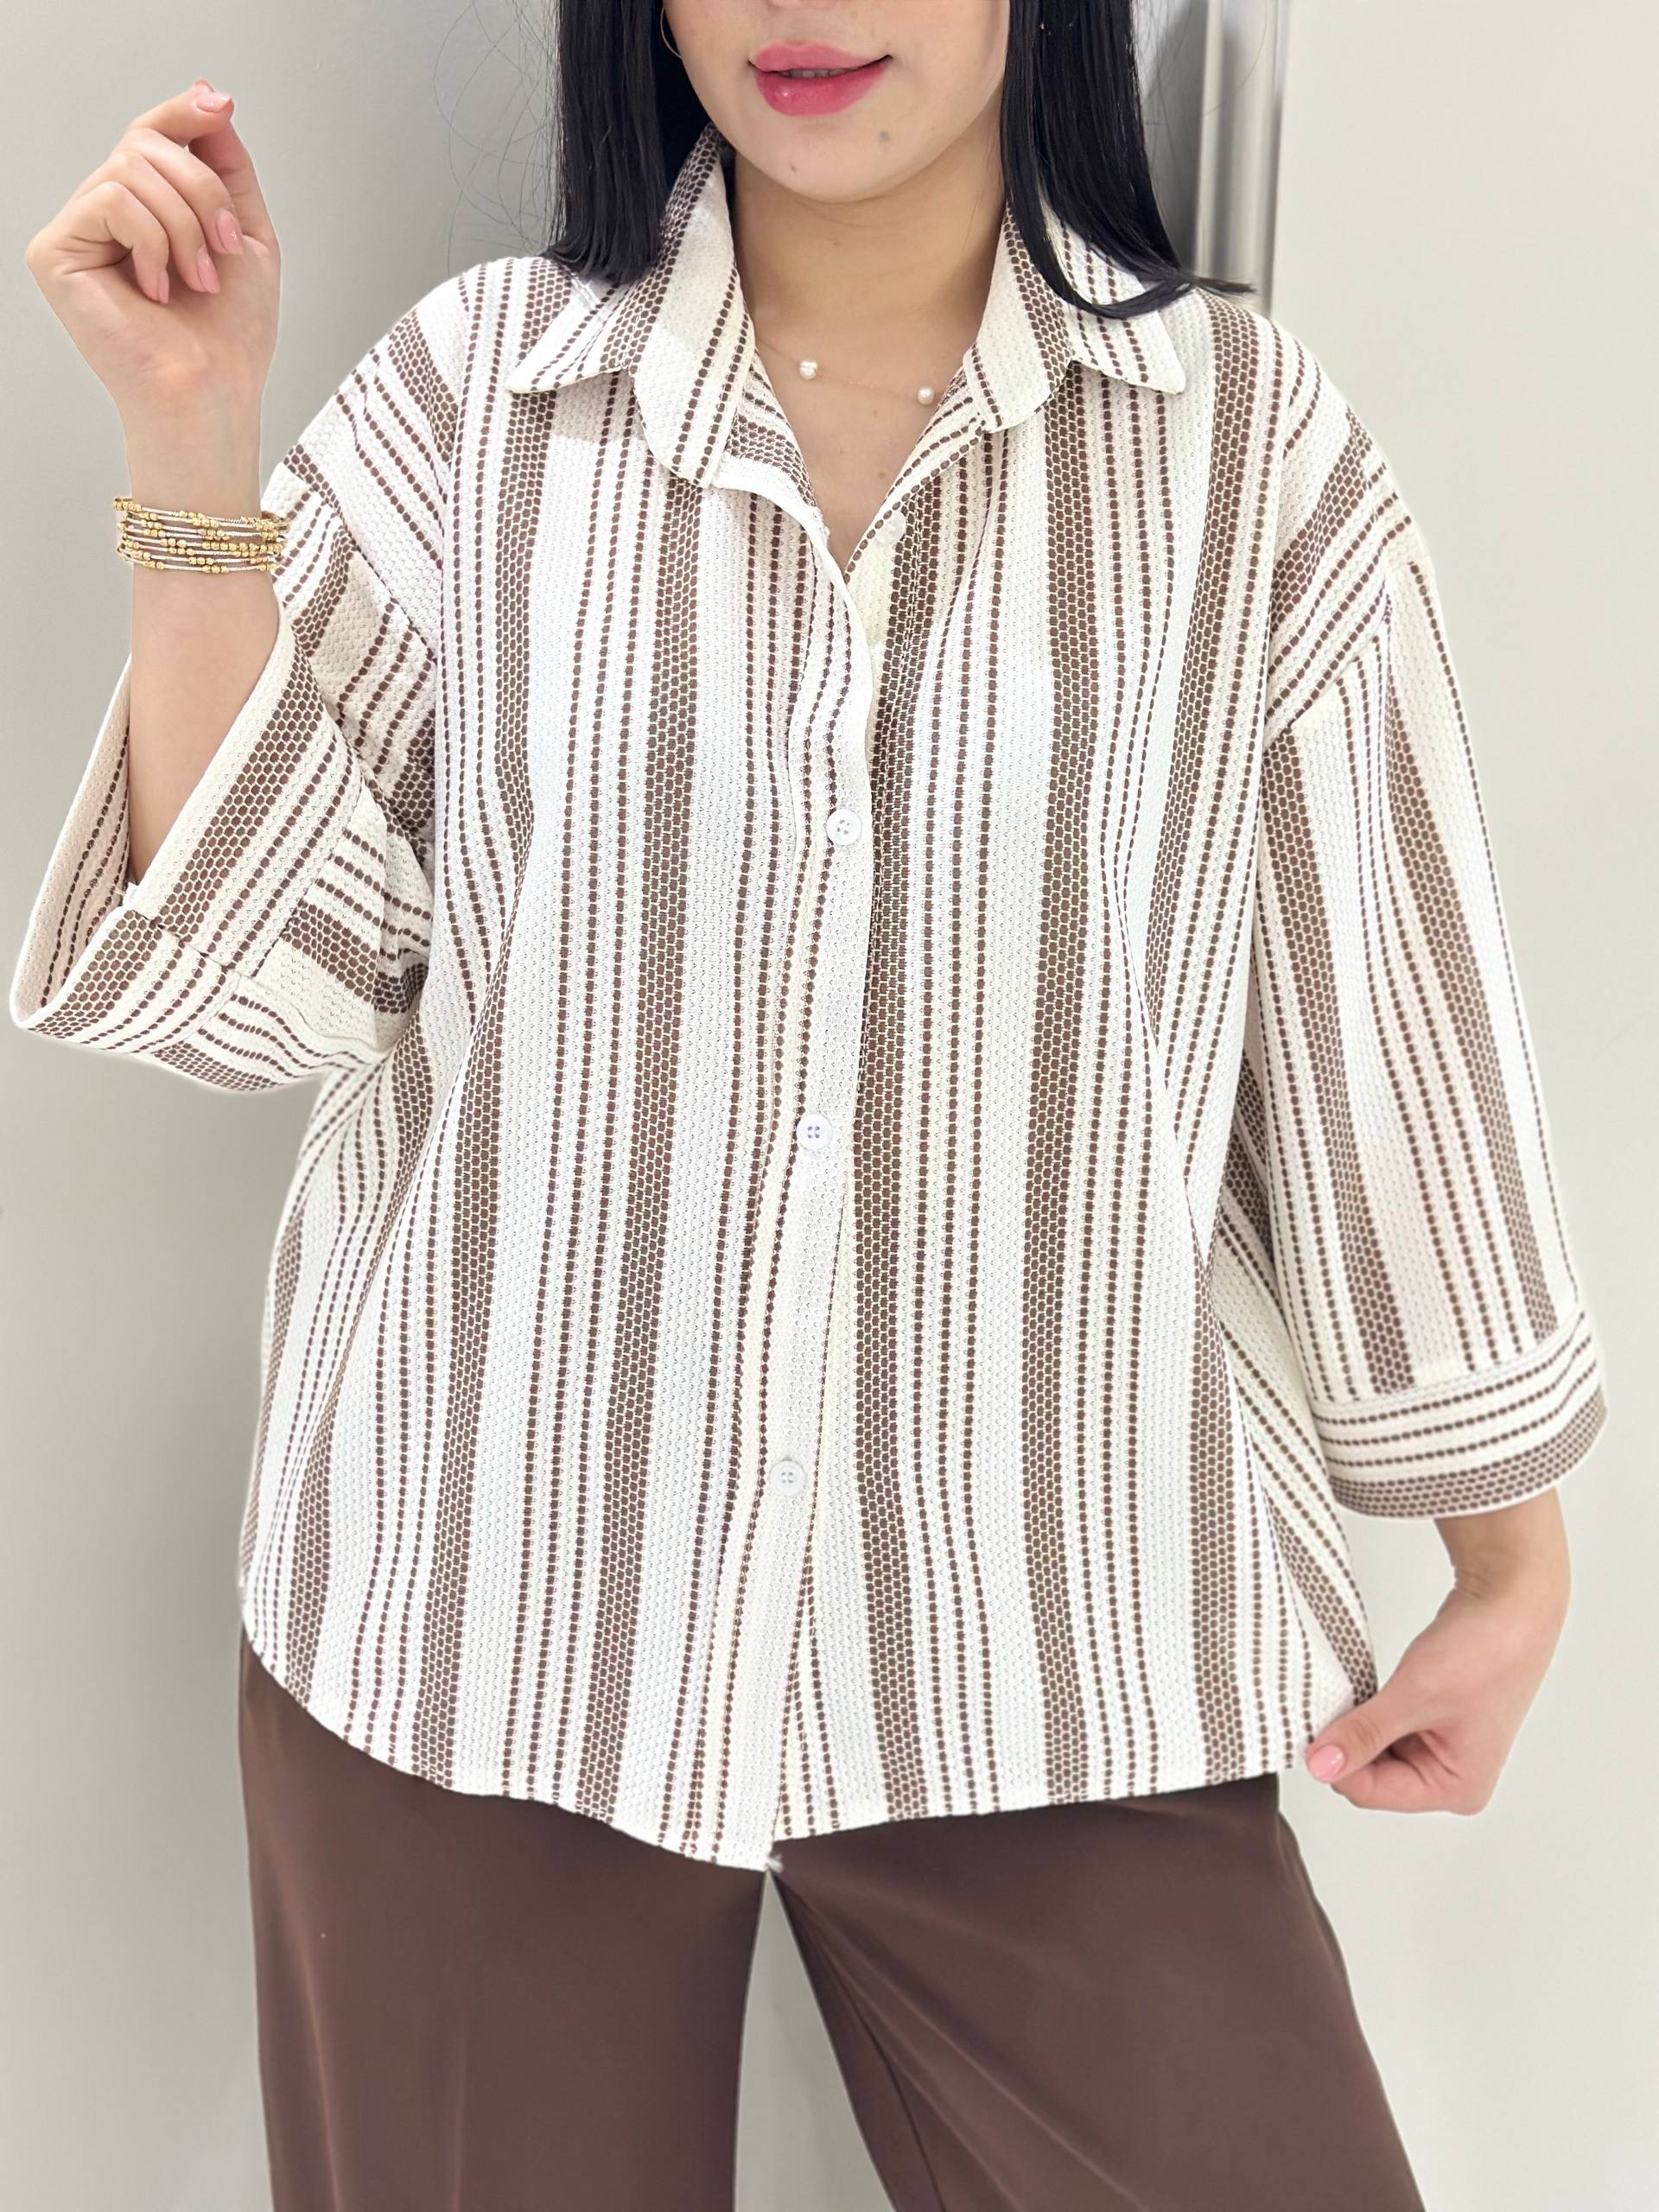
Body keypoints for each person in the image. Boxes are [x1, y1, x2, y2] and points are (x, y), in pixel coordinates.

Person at [13, 4, 1610, 2207]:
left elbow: (1385, 1005)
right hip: (485, 1619)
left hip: (1051, 1633)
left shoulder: (1249, 454)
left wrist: (1506, 1555)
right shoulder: (478, 405)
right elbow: (244, 988)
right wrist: (192, 452)